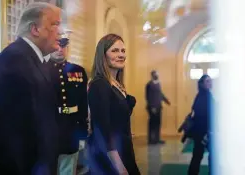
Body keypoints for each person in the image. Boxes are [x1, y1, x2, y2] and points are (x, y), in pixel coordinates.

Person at [0, 2, 62, 175]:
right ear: (35, 29)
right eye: (54, 24)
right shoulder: (14, 63)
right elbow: (15, 137)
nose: (60, 31)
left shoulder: (31, 59)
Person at [87, 34, 140, 175]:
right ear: (103, 55)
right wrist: (119, 167)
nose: (121, 55)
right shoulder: (100, 85)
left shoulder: (116, 84)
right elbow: (102, 132)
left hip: (124, 150)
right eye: (115, 51)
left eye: (123, 51)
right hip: (110, 159)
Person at [48, 36, 89, 175]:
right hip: (49, 129)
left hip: (71, 128)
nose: (60, 50)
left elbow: (83, 102)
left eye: (63, 46)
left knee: (68, 169)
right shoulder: (40, 70)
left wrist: (83, 130)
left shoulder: (78, 71)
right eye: (57, 45)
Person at [188, 74, 214, 175]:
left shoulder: (204, 95)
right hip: (203, 132)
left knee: (198, 155)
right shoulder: (204, 96)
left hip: (201, 131)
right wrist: (207, 132)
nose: (210, 83)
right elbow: (202, 115)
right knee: (203, 154)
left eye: (210, 81)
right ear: (202, 84)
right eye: (207, 81)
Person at [145, 70, 170, 144]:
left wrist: (166, 100)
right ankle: (151, 140)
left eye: (157, 74)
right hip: (152, 107)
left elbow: (160, 94)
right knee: (152, 124)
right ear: (152, 75)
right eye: (155, 74)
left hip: (159, 107)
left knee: (158, 123)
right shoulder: (149, 84)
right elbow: (147, 97)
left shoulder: (158, 83)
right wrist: (152, 107)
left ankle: (157, 139)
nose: (157, 76)